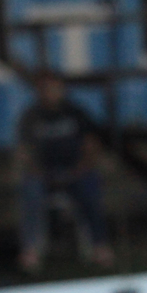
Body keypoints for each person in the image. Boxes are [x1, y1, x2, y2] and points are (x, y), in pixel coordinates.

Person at [15, 72, 113, 272]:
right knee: (30, 190)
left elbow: (91, 145)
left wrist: (81, 168)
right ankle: (31, 250)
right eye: (45, 89)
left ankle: (99, 246)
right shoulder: (31, 116)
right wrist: (38, 171)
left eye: (54, 88)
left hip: (76, 172)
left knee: (90, 187)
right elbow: (24, 152)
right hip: (43, 174)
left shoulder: (76, 113)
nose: (50, 93)